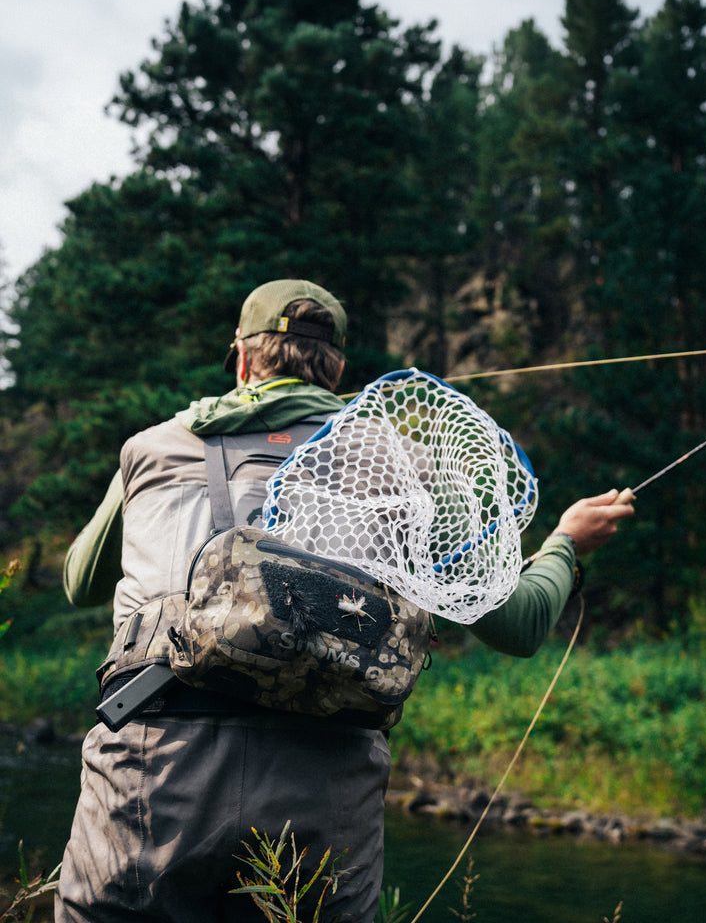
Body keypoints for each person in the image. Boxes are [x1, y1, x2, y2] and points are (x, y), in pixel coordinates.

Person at [55, 279, 634, 923]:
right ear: (335, 371)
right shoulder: (409, 467)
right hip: (325, 784)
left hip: (153, 761)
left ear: (242, 358)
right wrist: (565, 542)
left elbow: (80, 581)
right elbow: (519, 624)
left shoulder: (153, 448)